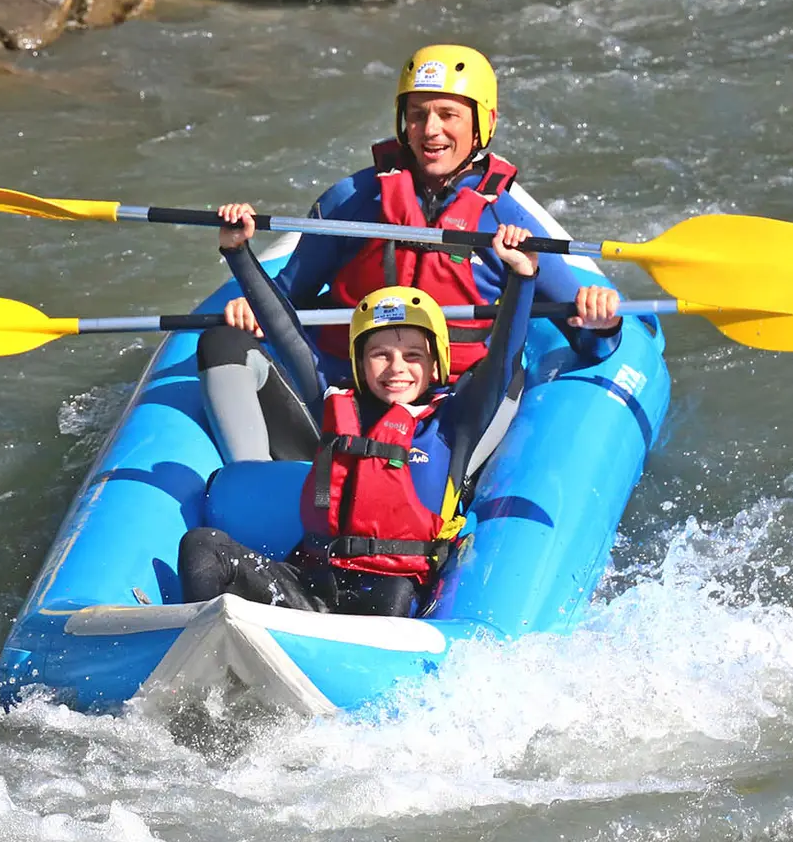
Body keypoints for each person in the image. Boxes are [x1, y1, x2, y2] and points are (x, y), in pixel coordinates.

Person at [178, 210, 623, 617]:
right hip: (308, 585)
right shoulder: (336, 403)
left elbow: (503, 357)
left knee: (392, 597)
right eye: (380, 355)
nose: (396, 369)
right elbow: (285, 332)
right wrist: (237, 250)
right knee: (202, 547)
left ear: (435, 364)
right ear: (359, 362)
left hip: (388, 596)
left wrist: (521, 275)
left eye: (413, 355)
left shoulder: (453, 423)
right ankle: (202, 658)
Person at [218, 44, 609, 389]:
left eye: (448, 114)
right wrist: (249, 296)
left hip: (455, 402)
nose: (430, 130)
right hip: (344, 382)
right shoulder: (352, 201)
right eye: (418, 115)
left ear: (481, 125)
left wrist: (602, 322)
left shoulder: (503, 219)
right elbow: (287, 298)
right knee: (221, 344)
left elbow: (589, 340)